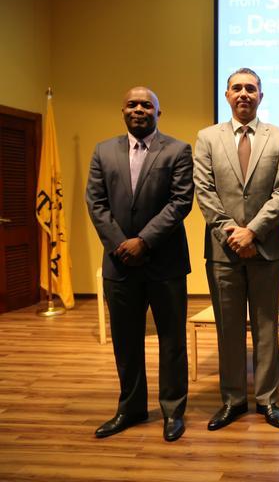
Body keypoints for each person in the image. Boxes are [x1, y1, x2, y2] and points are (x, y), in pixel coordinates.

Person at [86, 86, 193, 442]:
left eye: (146, 105)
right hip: (120, 264)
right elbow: (96, 203)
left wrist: (143, 241)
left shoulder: (177, 150)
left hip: (165, 263)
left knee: (172, 341)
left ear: (158, 113)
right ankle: (130, 408)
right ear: (123, 111)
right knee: (126, 341)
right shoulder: (103, 151)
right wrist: (121, 245)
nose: (138, 109)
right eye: (132, 104)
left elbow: (180, 202)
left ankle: (173, 410)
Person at [194, 68, 279, 430]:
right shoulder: (207, 138)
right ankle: (233, 400)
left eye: (251, 89)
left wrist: (251, 232)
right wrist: (233, 234)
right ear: (227, 95)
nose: (244, 94)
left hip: (266, 249)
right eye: (236, 88)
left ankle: (267, 400)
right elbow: (204, 190)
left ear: (260, 96)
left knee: (267, 328)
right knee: (229, 330)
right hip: (223, 252)